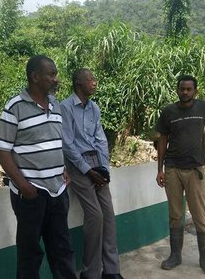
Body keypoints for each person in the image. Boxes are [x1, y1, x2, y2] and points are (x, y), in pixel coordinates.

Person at [0, 55, 77, 279]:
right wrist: (24, 186)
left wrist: (62, 169)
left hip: (58, 191)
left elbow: (53, 142)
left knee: (62, 250)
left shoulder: (55, 105)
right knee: (30, 254)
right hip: (30, 194)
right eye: (51, 74)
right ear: (35, 77)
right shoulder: (15, 107)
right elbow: (2, 150)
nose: (56, 79)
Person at [61, 68, 123, 279]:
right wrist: (88, 170)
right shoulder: (66, 108)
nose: (94, 82)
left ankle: (112, 270)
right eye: (90, 79)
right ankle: (90, 273)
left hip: (97, 162)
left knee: (108, 214)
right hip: (78, 166)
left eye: (95, 79)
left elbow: (100, 139)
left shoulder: (94, 108)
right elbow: (67, 145)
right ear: (78, 83)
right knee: (95, 216)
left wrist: (103, 167)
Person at [156, 74, 205, 276]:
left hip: (194, 170)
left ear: (195, 91)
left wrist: (202, 138)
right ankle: (175, 256)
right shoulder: (168, 112)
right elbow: (163, 139)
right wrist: (160, 169)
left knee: (200, 216)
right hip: (173, 168)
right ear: (177, 90)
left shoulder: (203, 107)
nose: (185, 92)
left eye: (189, 89)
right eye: (182, 89)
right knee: (175, 214)